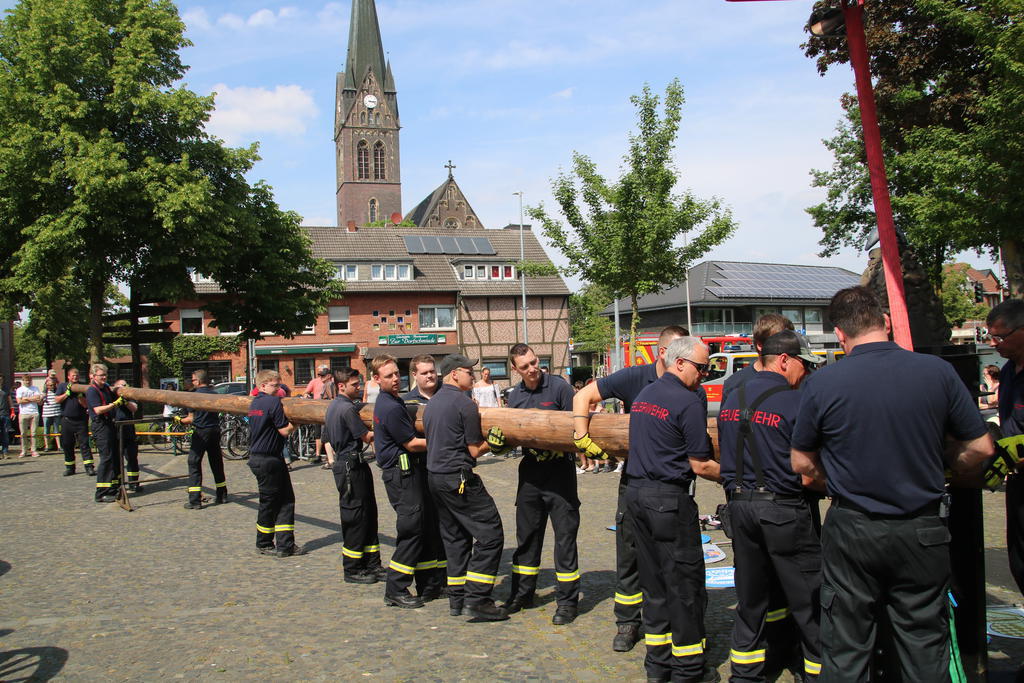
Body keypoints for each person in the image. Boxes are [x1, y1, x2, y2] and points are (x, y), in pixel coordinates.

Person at [791, 286, 992, 680]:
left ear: (839, 333)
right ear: (885, 323)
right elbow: (982, 448)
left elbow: (802, 461)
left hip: (853, 527)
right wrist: (949, 466)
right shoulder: (936, 372)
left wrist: (841, 480)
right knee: (923, 644)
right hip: (923, 528)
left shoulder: (823, 383)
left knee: (846, 645)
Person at [571, 324, 695, 652]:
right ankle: (627, 620)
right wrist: (581, 435)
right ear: (664, 353)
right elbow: (583, 395)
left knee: (673, 557)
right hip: (635, 481)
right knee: (629, 553)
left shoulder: (691, 384)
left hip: (673, 486)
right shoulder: (634, 377)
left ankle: (673, 620)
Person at [717, 330, 824, 681]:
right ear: (783, 360)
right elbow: (808, 474)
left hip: (739, 508)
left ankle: (745, 675)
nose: (805, 372)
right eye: (802, 364)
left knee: (750, 600)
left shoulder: (731, 399)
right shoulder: (796, 403)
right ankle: (814, 673)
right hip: (783, 510)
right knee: (809, 602)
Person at [624, 336, 720, 682]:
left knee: (654, 586)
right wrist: (737, 478)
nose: (705, 375)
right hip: (668, 501)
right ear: (679, 363)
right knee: (685, 588)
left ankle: (658, 666)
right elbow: (700, 464)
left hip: (637, 498)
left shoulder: (645, 395)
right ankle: (689, 670)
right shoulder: (688, 400)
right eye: (702, 367)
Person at [424, 353, 508, 621]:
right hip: (459, 478)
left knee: (455, 538)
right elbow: (473, 450)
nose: (473, 375)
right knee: (490, 533)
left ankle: (457, 599)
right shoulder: (465, 405)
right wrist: (495, 444)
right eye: (468, 371)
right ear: (453, 374)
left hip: (435, 478)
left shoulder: (432, 404)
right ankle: (479, 599)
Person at [502, 343, 581, 625]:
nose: (533, 369)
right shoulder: (515, 397)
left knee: (565, 541)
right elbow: (512, 435)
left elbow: (577, 427)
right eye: (525, 366)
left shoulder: (559, 388)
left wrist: (560, 446)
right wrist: (501, 444)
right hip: (531, 476)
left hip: (560, 474)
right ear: (515, 370)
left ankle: (568, 602)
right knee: (527, 539)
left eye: (534, 362)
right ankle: (523, 594)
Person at [374, 355, 446, 604]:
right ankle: (395, 588)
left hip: (407, 473)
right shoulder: (391, 406)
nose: (395, 379)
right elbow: (412, 444)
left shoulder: (393, 400)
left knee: (425, 528)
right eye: (389, 376)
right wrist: (444, 440)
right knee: (412, 530)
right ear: (376, 379)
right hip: (401, 474)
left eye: (396, 374)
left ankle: (429, 584)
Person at [323, 368, 387, 587]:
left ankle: (372, 563)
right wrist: (387, 426)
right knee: (356, 518)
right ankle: (352, 568)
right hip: (350, 466)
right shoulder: (346, 410)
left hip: (352, 464)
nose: (358, 388)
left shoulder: (335, 406)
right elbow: (367, 436)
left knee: (368, 514)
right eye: (354, 385)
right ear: (341, 386)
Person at [987, 300, 1024, 601]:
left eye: (1000, 336)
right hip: (1017, 481)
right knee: (1019, 560)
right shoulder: (1009, 371)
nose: (992, 343)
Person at [247, 369, 305, 558]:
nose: (279, 388)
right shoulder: (272, 402)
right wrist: (298, 422)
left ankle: (277, 543)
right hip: (270, 458)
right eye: (275, 385)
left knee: (273, 501)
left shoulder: (255, 403)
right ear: (262, 385)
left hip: (258, 458)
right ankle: (273, 544)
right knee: (281, 501)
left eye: (279, 384)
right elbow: (284, 431)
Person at [720, 313, 794, 406]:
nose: (789, 347)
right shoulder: (735, 383)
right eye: (780, 342)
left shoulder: (798, 379)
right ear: (760, 345)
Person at [181, 370, 227, 509]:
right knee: (216, 462)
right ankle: (222, 495)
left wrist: (179, 420)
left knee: (193, 462)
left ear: (199, 381)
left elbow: (190, 418)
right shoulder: (215, 394)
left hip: (201, 432)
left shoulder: (194, 396)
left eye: (193, 380)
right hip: (214, 430)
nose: (192, 382)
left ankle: (195, 500)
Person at [86, 364, 121, 503]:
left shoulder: (105, 387)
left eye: (105, 375)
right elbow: (98, 410)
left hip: (109, 424)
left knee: (114, 456)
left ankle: (113, 487)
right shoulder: (92, 391)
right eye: (101, 375)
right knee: (106, 458)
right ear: (94, 376)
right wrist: (115, 404)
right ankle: (101, 493)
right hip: (100, 425)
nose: (104, 377)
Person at [56, 368, 93, 476]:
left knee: (85, 444)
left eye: (76, 375)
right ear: (68, 377)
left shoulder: (83, 387)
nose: (75, 377)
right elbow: (57, 400)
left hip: (81, 420)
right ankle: (70, 467)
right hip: (67, 420)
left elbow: (86, 405)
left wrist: (80, 396)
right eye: (73, 375)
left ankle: (89, 467)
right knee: (67, 444)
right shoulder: (62, 386)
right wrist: (67, 394)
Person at [110, 379, 143, 493]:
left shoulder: (129, 396)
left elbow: (134, 408)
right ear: (115, 386)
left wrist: (125, 402)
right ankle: (117, 484)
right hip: (115, 429)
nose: (125, 387)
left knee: (131, 457)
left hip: (128, 428)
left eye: (126, 385)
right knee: (115, 458)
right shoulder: (111, 395)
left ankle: (133, 483)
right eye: (122, 385)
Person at [303, 365, 334, 464]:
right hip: (317, 410)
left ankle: (331, 456)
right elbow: (306, 392)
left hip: (327, 410)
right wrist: (307, 395)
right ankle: (318, 454)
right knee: (318, 433)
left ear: (328, 375)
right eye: (319, 375)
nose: (321, 377)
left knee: (328, 433)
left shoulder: (332, 383)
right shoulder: (314, 381)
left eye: (323, 375)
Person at [16, 374, 42, 457]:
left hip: (34, 412)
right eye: (26, 380)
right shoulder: (19, 390)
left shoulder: (35, 388)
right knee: (23, 433)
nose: (28, 382)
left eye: (29, 380)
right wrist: (32, 399)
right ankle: (24, 450)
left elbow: (38, 399)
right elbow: (19, 401)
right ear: (23, 381)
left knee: (33, 433)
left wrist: (26, 399)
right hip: (23, 413)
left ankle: (33, 450)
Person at [41, 376, 62, 452]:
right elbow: (40, 403)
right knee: (46, 430)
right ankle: (46, 446)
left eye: (52, 385)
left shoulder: (58, 392)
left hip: (56, 413)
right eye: (48, 385)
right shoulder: (44, 393)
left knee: (56, 430)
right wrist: (41, 398)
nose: (50, 387)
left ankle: (59, 446)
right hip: (47, 413)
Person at [0, 376, 10, 458]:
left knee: (5, 433)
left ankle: (5, 452)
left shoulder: (5, 389)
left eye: (1, 379)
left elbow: (9, 400)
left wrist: (12, 411)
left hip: (5, 413)